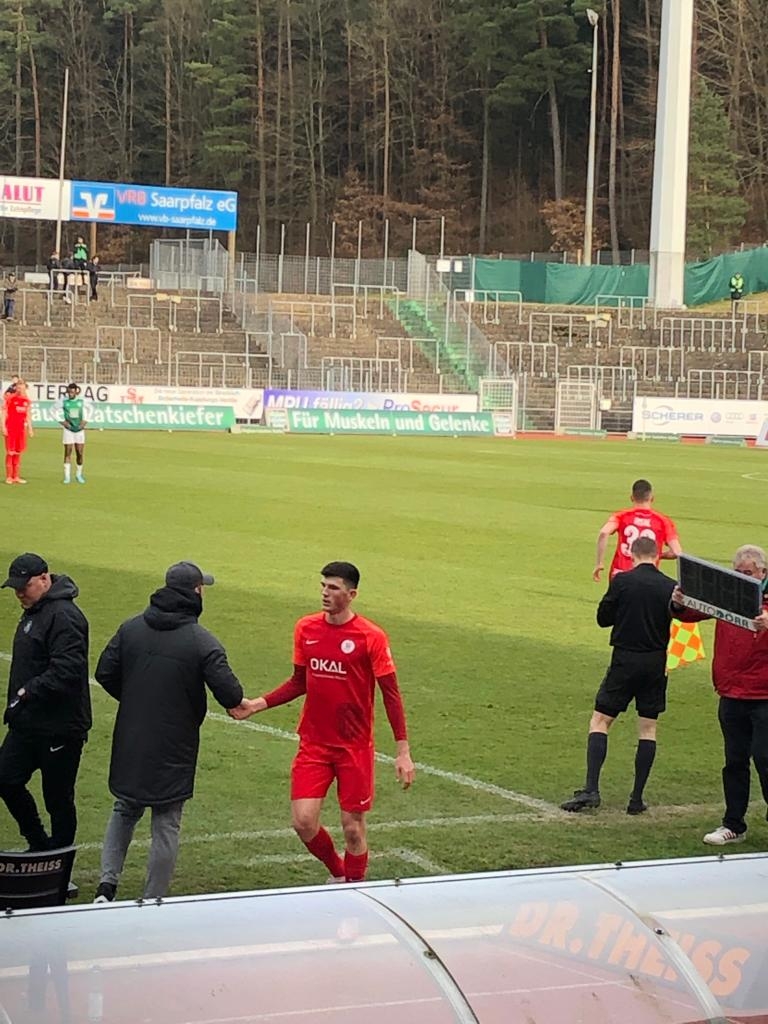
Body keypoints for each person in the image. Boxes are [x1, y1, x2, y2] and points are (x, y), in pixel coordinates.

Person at [230, 561, 415, 883]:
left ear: (351, 594)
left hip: (354, 747)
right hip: (314, 743)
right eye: (323, 586)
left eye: (333, 588)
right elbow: (299, 681)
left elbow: (391, 694)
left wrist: (403, 751)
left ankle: (353, 889)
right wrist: (257, 704)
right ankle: (340, 874)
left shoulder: (370, 636)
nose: (325, 593)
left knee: (353, 829)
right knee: (303, 822)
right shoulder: (306, 628)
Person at [92, 561, 250, 902]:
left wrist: (136, 699)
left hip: (132, 735)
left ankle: (106, 886)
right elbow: (231, 694)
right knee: (166, 821)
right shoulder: (201, 641)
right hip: (175, 743)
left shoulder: (131, 628)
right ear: (197, 591)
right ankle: (153, 900)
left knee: (125, 808)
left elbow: (104, 672)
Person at [561, 537, 677, 814]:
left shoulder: (622, 581)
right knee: (648, 728)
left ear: (632, 554)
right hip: (656, 662)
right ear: (657, 556)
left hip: (625, 659)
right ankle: (636, 799)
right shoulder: (670, 586)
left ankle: (591, 789)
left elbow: (603, 618)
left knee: (600, 720)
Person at [672, 545, 768, 845]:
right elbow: (694, 610)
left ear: (763, 572)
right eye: (738, 572)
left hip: (764, 694)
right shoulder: (730, 591)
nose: (743, 578)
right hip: (731, 691)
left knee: (765, 758)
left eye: (748, 573)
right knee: (734, 761)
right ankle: (733, 824)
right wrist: (678, 603)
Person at [0, 552, 90, 851]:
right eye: (15, 588)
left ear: (44, 578)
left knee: (58, 799)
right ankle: (38, 844)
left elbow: (67, 669)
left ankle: (58, 862)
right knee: (6, 779)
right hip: (27, 723)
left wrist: (26, 692)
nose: (19, 594)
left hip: (59, 728)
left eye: (23, 586)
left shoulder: (65, 617)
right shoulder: (35, 611)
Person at [593, 478, 682, 582]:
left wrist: (599, 563)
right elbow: (676, 552)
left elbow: (604, 532)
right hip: (646, 577)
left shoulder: (621, 516)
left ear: (632, 498)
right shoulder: (663, 521)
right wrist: (657, 555)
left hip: (620, 573)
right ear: (652, 498)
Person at [2, 377, 33, 484]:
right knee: (10, 452)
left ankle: (16, 476)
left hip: (20, 429)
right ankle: (9, 477)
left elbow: (28, 415)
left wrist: (30, 428)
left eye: (22, 386)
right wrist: (3, 426)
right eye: (18, 386)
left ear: (25, 387)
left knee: (18, 452)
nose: (20, 389)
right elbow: (4, 412)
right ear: (16, 387)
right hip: (10, 428)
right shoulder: (10, 398)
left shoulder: (27, 401)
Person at [58, 382, 89, 484]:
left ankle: (78, 474)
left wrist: (85, 421)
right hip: (68, 430)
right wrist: (62, 422)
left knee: (79, 453)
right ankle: (67, 477)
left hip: (79, 430)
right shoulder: (63, 401)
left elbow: (91, 410)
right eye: (69, 392)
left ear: (76, 392)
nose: (70, 394)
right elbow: (52, 410)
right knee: (68, 452)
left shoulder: (82, 401)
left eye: (72, 392)